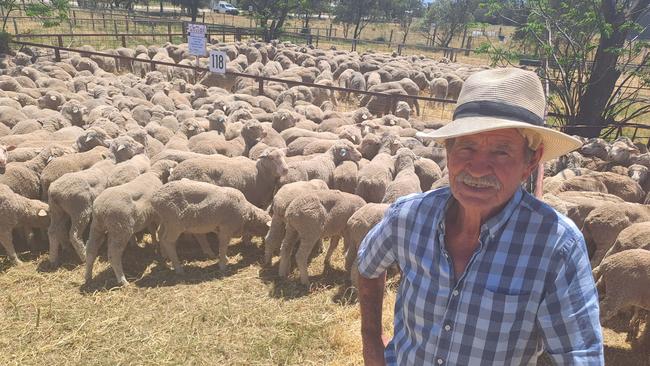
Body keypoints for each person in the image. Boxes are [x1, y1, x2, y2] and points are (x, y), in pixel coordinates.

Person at [356, 68, 603, 365]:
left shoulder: (555, 246)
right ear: (448, 151)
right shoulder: (408, 216)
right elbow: (368, 265)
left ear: (531, 160)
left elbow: (580, 354)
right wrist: (371, 342)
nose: (477, 168)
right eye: (467, 147)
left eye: (501, 152)